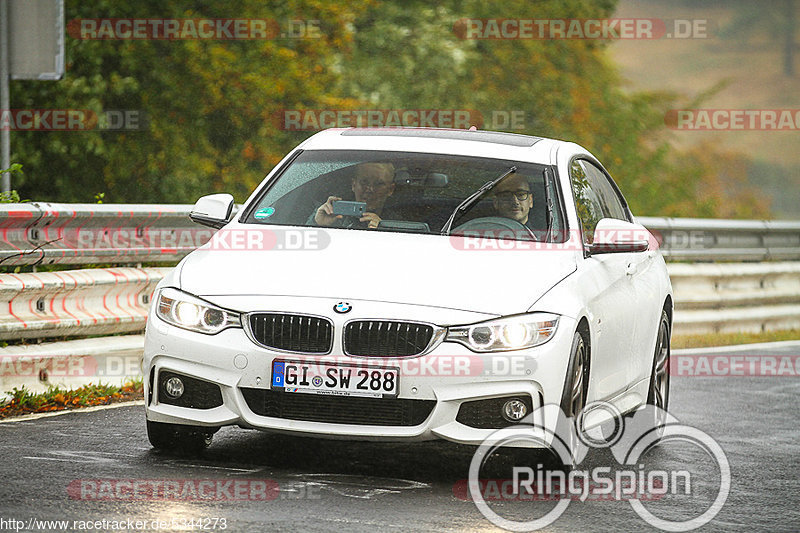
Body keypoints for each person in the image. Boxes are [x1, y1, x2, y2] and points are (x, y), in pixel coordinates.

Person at [313, 162, 396, 229]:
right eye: (364, 182)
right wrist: (317, 223)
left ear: (390, 189)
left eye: (379, 184)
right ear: (353, 185)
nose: (370, 189)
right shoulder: (335, 216)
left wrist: (383, 228)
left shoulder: (398, 223)